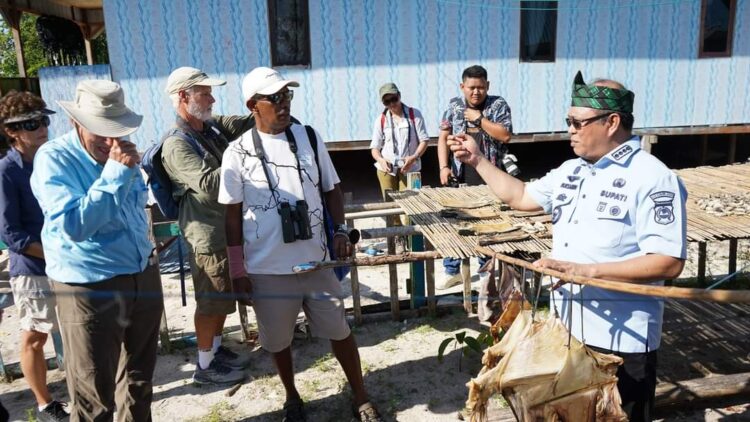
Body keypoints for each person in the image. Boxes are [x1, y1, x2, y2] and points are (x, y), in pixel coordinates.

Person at [448, 71, 687, 422]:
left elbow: (668, 261)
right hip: (570, 333)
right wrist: (477, 160)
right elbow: (521, 195)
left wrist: (585, 271)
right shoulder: (572, 171)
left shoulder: (652, 176)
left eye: (577, 122)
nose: (570, 129)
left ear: (612, 122)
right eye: (568, 121)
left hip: (622, 342)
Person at [219, 67, 382, 422]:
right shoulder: (237, 153)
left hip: (317, 263)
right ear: (252, 105)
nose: (283, 104)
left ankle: (360, 394)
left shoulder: (308, 136)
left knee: (339, 330)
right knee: (278, 342)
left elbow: (331, 189)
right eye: (274, 98)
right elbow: (231, 217)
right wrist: (237, 270)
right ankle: (292, 397)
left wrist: (340, 231)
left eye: (287, 96)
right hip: (267, 270)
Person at [30, 80, 164, 421]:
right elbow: (74, 225)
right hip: (89, 286)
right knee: (93, 392)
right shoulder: (53, 159)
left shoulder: (123, 152)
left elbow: (133, 212)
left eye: (116, 131)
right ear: (76, 123)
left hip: (140, 273)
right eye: (101, 131)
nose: (110, 141)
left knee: (139, 380)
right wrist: (116, 172)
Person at [162, 67, 254, 385]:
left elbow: (239, 122)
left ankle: (214, 350)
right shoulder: (177, 144)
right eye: (204, 93)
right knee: (211, 301)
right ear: (183, 97)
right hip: (207, 236)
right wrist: (241, 158)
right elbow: (210, 184)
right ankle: (204, 367)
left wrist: (263, 105)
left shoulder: (208, 129)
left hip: (222, 230)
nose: (212, 98)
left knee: (222, 299)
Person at [0, 91, 68, 421]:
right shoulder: (6, 172)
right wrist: (54, 253)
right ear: (12, 131)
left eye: (44, 120)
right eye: (31, 123)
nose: (41, 128)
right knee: (35, 336)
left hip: (63, 261)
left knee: (76, 329)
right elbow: (12, 235)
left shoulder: (51, 159)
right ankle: (44, 404)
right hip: (33, 266)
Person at [437, 64, 514, 289]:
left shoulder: (498, 105)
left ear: (487, 86)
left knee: (486, 224)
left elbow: (506, 135)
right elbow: (443, 136)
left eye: (481, 87)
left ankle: (484, 272)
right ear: (463, 87)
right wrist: (443, 167)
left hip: (490, 175)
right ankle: (453, 271)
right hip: (459, 175)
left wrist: (479, 119)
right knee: (453, 222)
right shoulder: (453, 105)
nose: (476, 92)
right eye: (471, 87)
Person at [370, 82, 429, 253]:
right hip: (387, 168)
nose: (392, 104)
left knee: (409, 204)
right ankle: (398, 238)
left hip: (409, 167)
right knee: (390, 205)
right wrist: (381, 160)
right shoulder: (381, 119)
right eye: (387, 102)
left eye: (393, 99)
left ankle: (413, 238)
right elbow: (374, 148)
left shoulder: (413, 114)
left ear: (399, 96)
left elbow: (424, 140)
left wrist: (414, 157)